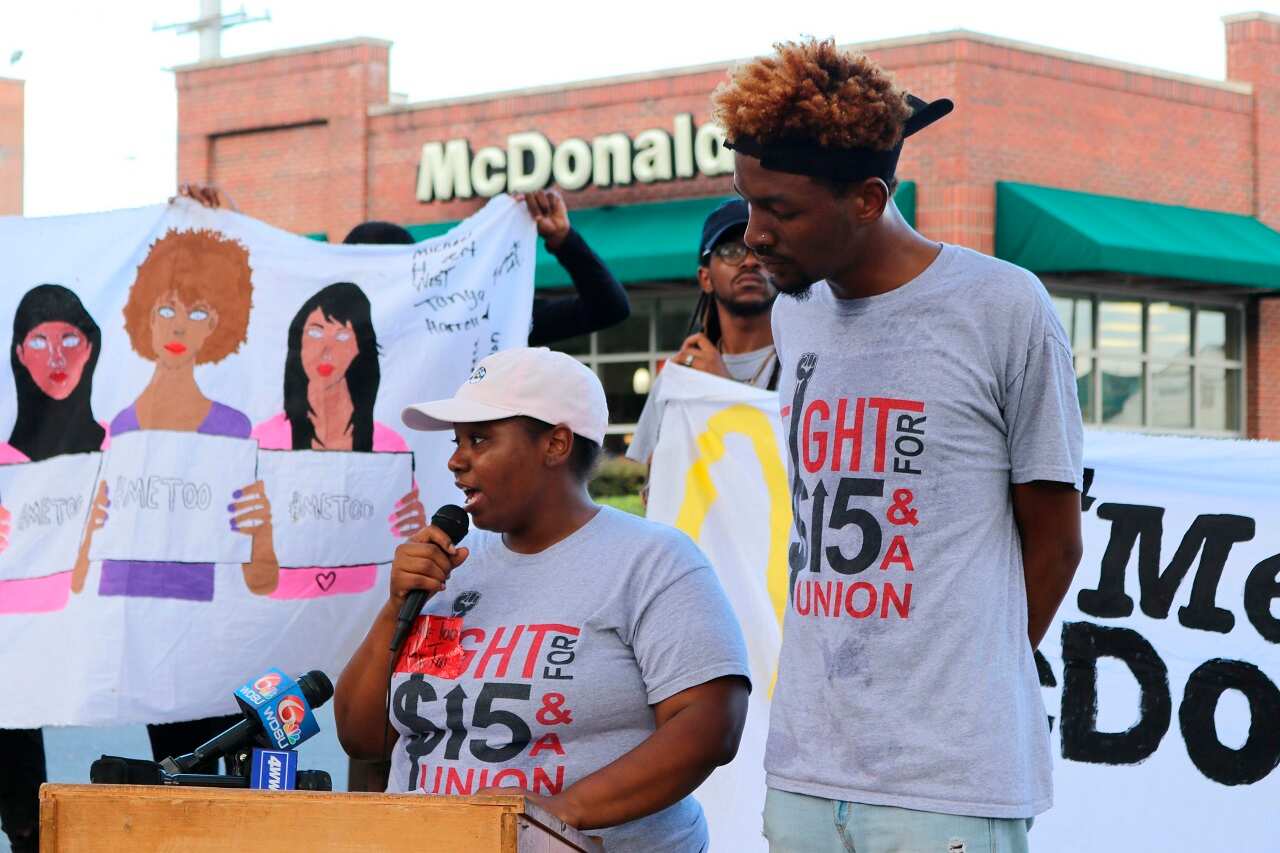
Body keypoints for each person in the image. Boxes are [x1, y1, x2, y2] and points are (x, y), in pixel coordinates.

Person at [712, 39, 1084, 851]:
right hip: (806, 768)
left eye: (781, 210)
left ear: (868, 198)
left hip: (946, 784)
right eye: (748, 204)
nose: (756, 235)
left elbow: (1055, 544)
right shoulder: (795, 313)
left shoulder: (1001, 307)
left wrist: (957, 683)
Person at [333, 347, 752, 851]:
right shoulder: (449, 564)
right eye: (457, 440)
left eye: (480, 438)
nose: (456, 459)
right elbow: (360, 737)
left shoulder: (653, 561)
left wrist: (550, 816)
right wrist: (395, 606)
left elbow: (710, 726)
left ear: (555, 444)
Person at [76, 226, 281, 773]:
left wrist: (261, 532)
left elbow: (262, 581)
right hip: (147, 652)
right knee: (172, 797)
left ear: (219, 326)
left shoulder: (235, 430)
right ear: (143, 316)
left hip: (219, 652)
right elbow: (81, 583)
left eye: (198, 313)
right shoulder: (117, 431)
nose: (178, 325)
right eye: (167, 308)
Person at [0, 285, 108, 853]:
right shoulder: (4, 466)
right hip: (16, 663)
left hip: (117, 641)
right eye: (40, 341)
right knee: (28, 825)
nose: (57, 356)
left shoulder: (127, 450)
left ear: (91, 347)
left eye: (70, 338)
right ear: (18, 352)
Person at [252, 282, 427, 599]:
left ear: (359, 347)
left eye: (342, 335)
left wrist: (415, 531)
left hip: (364, 614)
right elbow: (248, 569)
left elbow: (401, 547)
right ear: (298, 342)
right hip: (277, 614)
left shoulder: (390, 448)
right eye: (316, 333)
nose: (326, 348)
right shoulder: (262, 441)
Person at [342, 189, 630, 346]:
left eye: (387, 276)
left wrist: (564, 240)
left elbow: (608, 308)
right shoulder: (319, 338)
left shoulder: (462, 322)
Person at [626, 197, 778, 468]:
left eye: (761, 250)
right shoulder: (681, 374)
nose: (750, 262)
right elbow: (650, 481)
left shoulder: (804, 366)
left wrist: (723, 390)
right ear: (705, 278)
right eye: (732, 251)